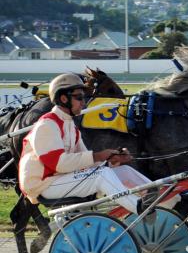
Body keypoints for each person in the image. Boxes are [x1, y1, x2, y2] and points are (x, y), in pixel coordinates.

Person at [18, 73, 174, 214]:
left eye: (84, 97)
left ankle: (168, 201)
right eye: (79, 97)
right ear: (64, 99)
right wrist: (99, 155)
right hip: (43, 185)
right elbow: (60, 164)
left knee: (124, 171)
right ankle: (141, 209)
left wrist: (112, 160)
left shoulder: (70, 125)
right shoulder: (47, 125)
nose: (83, 102)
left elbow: (88, 165)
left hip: (60, 179)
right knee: (101, 175)